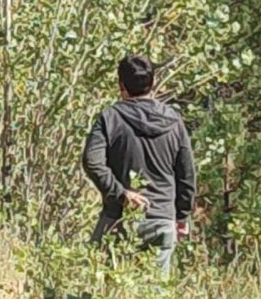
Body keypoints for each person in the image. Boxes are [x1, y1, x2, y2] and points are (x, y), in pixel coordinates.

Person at [82, 55, 196, 275]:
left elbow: (92, 161)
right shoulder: (174, 121)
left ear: (121, 85)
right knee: (154, 291)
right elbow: (186, 174)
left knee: (96, 282)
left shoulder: (110, 118)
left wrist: (121, 194)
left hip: (119, 218)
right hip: (162, 218)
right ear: (152, 83)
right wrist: (182, 217)